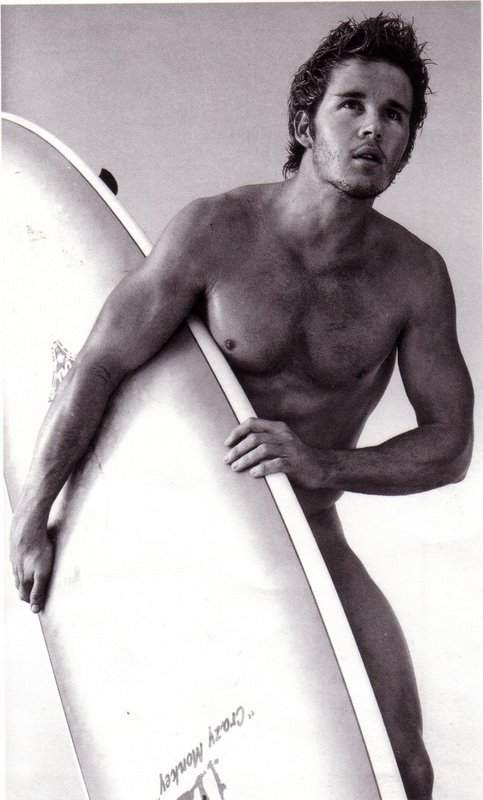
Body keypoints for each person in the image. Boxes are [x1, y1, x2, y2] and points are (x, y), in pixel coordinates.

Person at [10, 13, 473, 800]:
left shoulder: (413, 278)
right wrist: (32, 514)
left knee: (404, 764)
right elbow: (99, 363)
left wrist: (322, 463)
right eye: (351, 105)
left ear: (405, 147)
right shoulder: (216, 232)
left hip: (307, 531)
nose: (372, 128)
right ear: (304, 123)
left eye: (394, 116)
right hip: (181, 537)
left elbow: (450, 445)